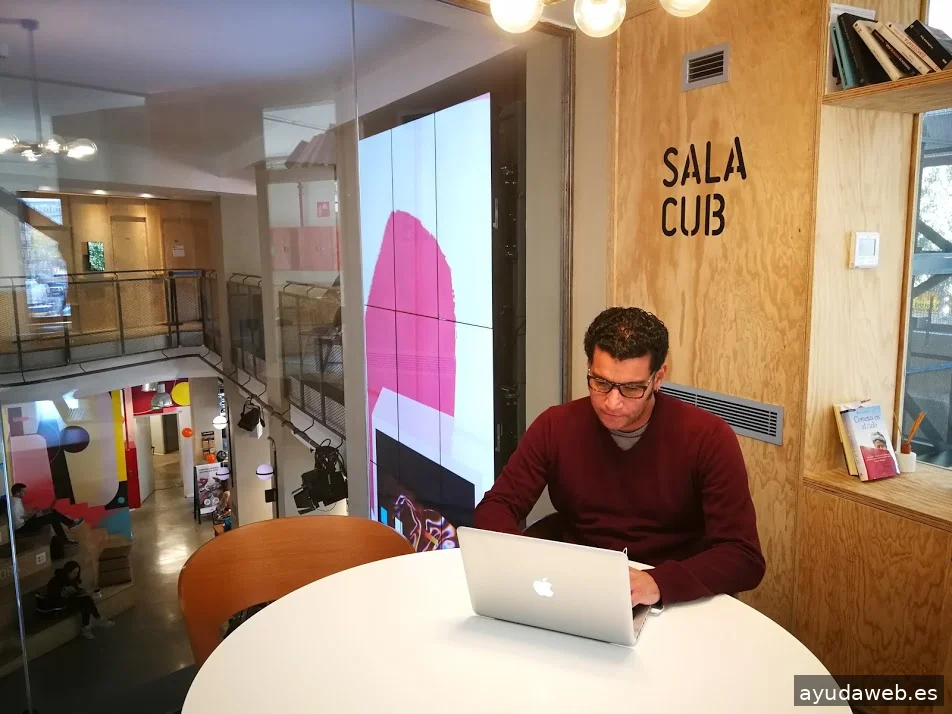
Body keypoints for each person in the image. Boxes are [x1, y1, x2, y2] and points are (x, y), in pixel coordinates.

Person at [473, 307, 766, 608]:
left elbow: (743, 555)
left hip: (670, 595)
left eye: (632, 388)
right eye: (601, 383)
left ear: (658, 377)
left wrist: (658, 582)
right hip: (577, 585)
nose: (612, 403)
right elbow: (497, 506)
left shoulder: (708, 438)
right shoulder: (556, 426)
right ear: (589, 366)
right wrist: (521, 562)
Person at [43, 561, 113, 639]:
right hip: (60, 605)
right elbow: (52, 597)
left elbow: (75, 590)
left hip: (71, 600)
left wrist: (81, 591)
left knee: (86, 601)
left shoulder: (72, 579)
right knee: (86, 602)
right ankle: (97, 620)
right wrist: (63, 594)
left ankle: (88, 626)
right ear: (68, 571)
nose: (75, 575)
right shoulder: (55, 581)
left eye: (77, 572)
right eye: (74, 572)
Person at [10, 483, 84, 545]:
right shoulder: (16, 504)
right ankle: (68, 529)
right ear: (17, 493)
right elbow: (22, 520)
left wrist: (33, 513)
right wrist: (33, 513)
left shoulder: (13, 500)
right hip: (23, 528)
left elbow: (21, 517)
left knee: (51, 511)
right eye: (23, 491)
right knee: (53, 518)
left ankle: (69, 526)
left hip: (24, 523)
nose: (25, 493)